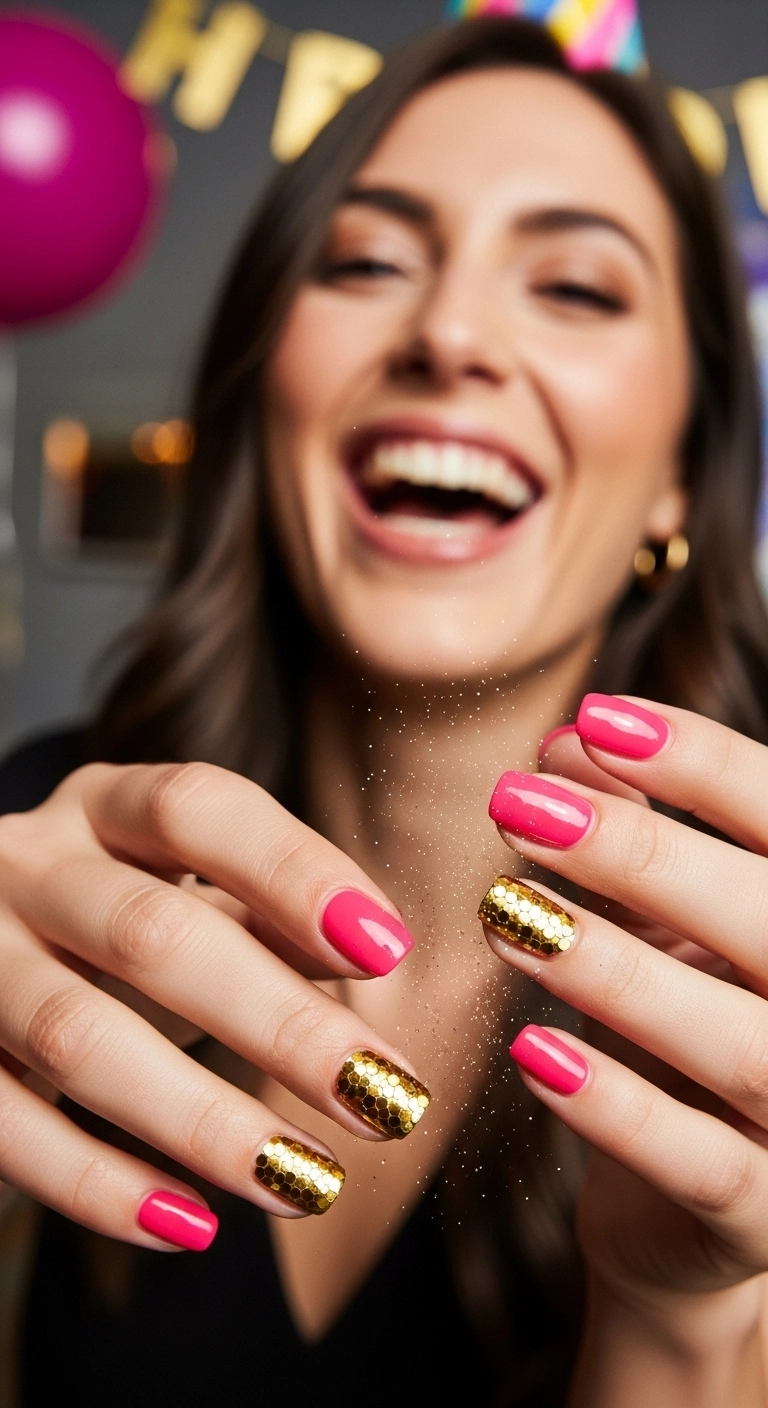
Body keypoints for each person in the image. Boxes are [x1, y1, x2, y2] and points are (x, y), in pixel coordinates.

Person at [2, 15, 768, 1405]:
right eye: (365, 262)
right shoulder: (45, 853)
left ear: (678, 478)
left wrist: (680, 1321)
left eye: (579, 289)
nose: (451, 334)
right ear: (264, 394)